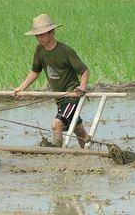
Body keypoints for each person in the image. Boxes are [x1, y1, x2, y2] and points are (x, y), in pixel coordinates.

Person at [13, 14, 90, 148]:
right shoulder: (39, 50)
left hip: (71, 95)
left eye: (42, 34)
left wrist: (82, 88)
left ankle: (56, 155)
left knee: (56, 124)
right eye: (37, 35)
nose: (40, 38)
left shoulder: (65, 51)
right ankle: (88, 152)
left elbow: (84, 70)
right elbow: (35, 71)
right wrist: (21, 87)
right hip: (59, 98)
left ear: (52, 32)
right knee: (78, 129)